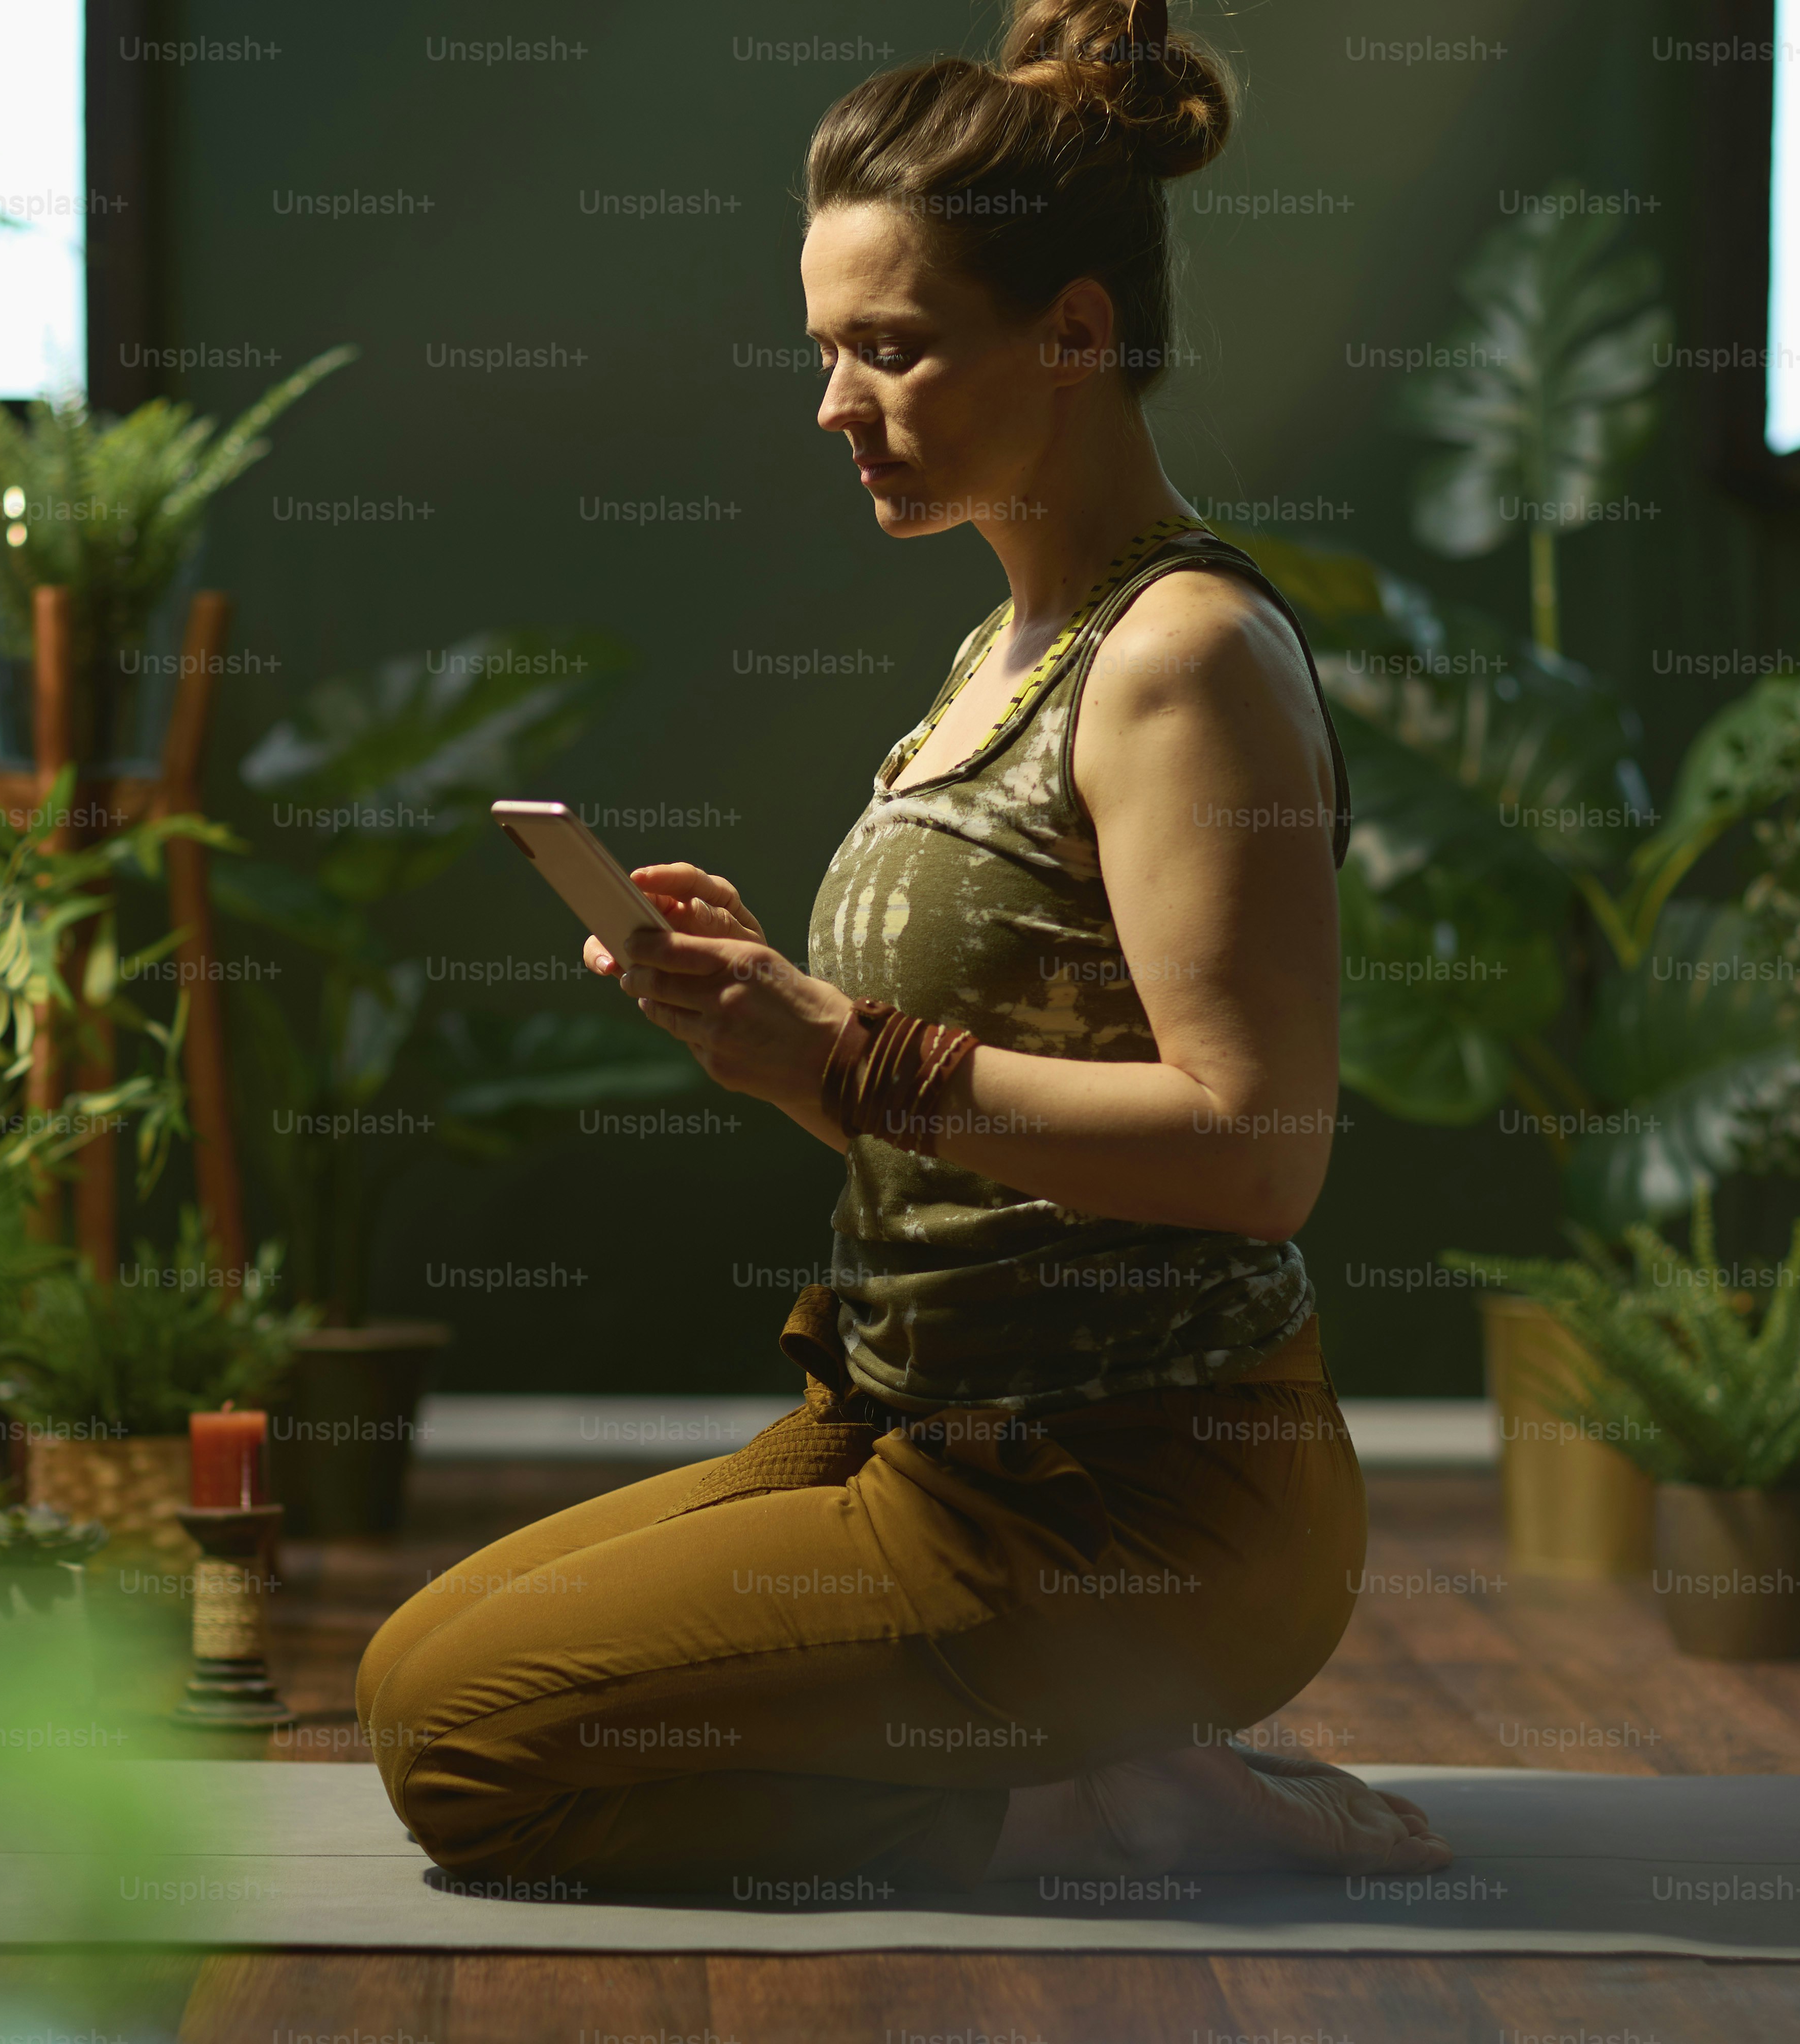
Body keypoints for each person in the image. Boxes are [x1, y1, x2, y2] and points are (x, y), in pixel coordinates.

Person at [356, 0, 1455, 1895]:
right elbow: (978, 1170)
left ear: (1077, 336)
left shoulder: (1179, 659)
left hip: (1137, 1500)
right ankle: (1096, 1777)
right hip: (923, 1432)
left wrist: (852, 1052)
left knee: (465, 1748)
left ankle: (1077, 1793)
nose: (833, 405)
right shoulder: (998, 655)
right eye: (826, 351)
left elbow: (1260, 1154)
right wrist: (770, 1040)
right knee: (404, 1676)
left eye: (892, 349)